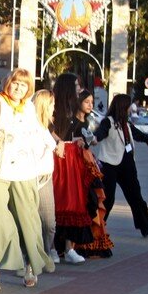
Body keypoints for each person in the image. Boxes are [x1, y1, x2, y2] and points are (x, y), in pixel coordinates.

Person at [0, 68, 53, 293]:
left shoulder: (28, 107)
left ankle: (30, 266)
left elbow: (39, 131)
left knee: (28, 221)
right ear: (8, 83)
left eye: (23, 85)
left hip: (24, 170)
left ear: (29, 88)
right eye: (15, 83)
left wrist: (53, 145)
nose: (18, 88)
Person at [92, 94, 148, 237]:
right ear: (123, 107)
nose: (131, 108)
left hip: (127, 164)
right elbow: (100, 133)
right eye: (129, 106)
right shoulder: (108, 122)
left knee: (135, 196)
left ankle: (144, 226)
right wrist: (94, 138)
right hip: (109, 165)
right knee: (108, 199)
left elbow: (137, 134)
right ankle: (97, 228)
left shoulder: (126, 123)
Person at [50, 74, 92, 264]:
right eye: (75, 85)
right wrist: (59, 141)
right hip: (56, 157)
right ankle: (52, 248)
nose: (78, 88)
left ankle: (69, 248)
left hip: (71, 157)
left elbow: (69, 134)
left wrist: (76, 140)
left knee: (73, 203)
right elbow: (46, 127)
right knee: (56, 204)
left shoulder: (71, 107)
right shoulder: (52, 104)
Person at [69, 89, 114, 258]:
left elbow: (88, 141)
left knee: (92, 201)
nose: (90, 105)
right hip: (76, 164)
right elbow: (69, 142)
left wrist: (89, 141)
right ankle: (75, 244)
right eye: (86, 102)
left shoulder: (87, 121)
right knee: (86, 202)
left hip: (87, 163)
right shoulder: (73, 122)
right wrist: (80, 142)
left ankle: (88, 243)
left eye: (92, 102)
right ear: (78, 102)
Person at [30, 90, 59, 266]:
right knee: (30, 222)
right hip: (29, 178)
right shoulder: (29, 125)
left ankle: (44, 252)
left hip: (45, 178)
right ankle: (30, 259)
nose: (54, 108)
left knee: (49, 224)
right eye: (52, 104)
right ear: (44, 106)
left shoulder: (45, 126)